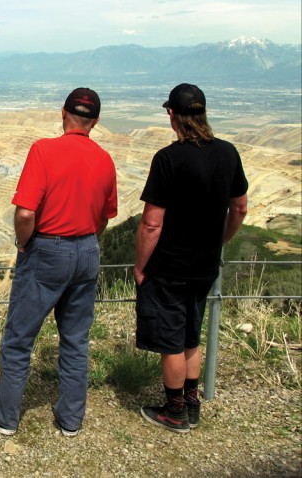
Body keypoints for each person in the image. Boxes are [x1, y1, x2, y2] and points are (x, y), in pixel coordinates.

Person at [0, 87, 118, 437]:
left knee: (19, 338)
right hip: (88, 250)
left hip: (47, 250)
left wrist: (23, 244)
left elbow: (25, 213)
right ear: (96, 121)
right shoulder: (105, 159)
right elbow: (104, 218)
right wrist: (87, 243)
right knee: (75, 340)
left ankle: (5, 416)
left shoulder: (44, 150)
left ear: (63, 113)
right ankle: (70, 420)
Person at [135, 83, 248, 433]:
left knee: (171, 341)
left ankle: (174, 412)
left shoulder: (168, 159)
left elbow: (151, 223)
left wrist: (140, 266)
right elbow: (240, 208)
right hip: (205, 266)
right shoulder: (228, 153)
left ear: (172, 115)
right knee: (190, 337)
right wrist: (220, 240)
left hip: (170, 266)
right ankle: (192, 405)